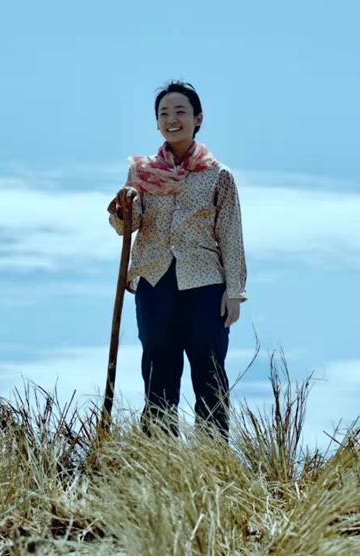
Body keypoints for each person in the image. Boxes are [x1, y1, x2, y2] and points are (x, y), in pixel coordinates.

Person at [107, 80, 247, 441]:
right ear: (156, 123)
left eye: (180, 112)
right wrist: (123, 207)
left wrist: (235, 290)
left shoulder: (218, 175)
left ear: (198, 119)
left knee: (209, 370)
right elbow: (127, 226)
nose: (172, 119)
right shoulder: (141, 172)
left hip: (205, 282)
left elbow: (230, 233)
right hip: (153, 279)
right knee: (158, 370)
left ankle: (213, 456)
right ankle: (159, 456)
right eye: (164, 113)